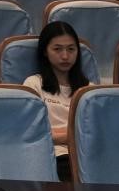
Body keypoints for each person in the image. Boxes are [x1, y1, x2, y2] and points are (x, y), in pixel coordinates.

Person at [22, 21, 89, 181]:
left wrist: (59, 134)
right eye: (57, 49)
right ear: (45, 51)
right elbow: (30, 132)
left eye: (71, 49)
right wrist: (73, 134)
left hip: (87, 155)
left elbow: (96, 132)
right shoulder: (33, 84)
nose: (65, 56)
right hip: (54, 156)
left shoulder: (89, 89)